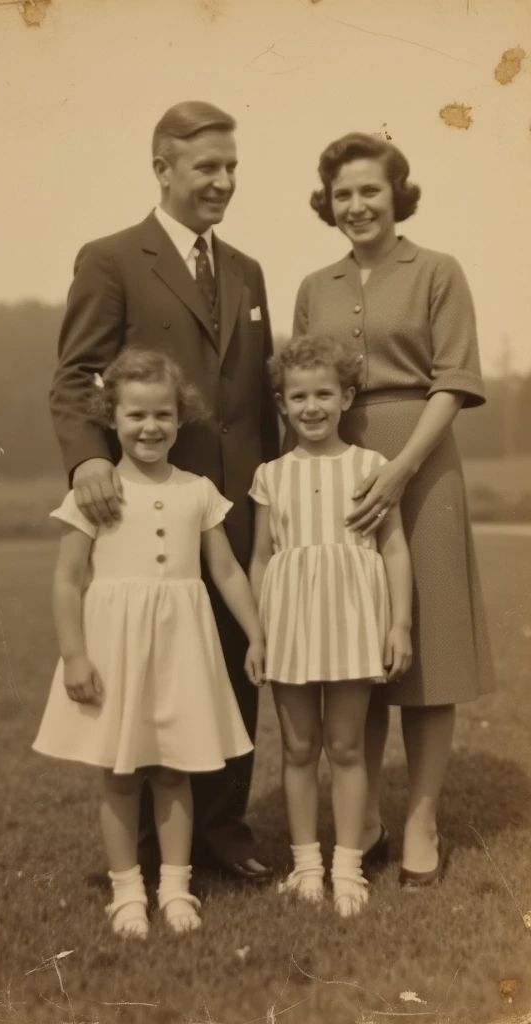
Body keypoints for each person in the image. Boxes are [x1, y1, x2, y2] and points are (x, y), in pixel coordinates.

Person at [49, 101, 279, 882]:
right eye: (207, 166)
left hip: (234, 505)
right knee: (147, 669)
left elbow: (258, 395)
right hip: (141, 500)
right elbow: (76, 375)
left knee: (227, 667)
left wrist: (271, 492)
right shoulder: (112, 258)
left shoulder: (247, 270)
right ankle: (144, 851)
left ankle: (220, 836)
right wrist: (87, 459)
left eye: (232, 167)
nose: (223, 181)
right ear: (162, 168)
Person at [293, 132, 495, 887]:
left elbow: (454, 380)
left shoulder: (437, 271)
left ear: (396, 193)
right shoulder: (315, 284)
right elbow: (304, 384)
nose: (356, 206)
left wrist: (403, 467)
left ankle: (421, 821)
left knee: (429, 649)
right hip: (342, 467)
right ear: (329, 203)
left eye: (369, 190)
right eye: (342, 194)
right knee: (358, 647)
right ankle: (365, 817)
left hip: (423, 461)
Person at [34, 350, 265, 938]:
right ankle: (127, 890)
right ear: (111, 417)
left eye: (163, 414)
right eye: (136, 414)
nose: (150, 427)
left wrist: (257, 633)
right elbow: (67, 578)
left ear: (180, 417)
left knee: (174, 769)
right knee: (118, 772)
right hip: (115, 649)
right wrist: (75, 654)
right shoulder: (98, 494)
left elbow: (228, 571)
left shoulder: (197, 489)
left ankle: (177, 887)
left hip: (182, 648)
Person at [248, 334, 412, 915]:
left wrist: (399, 627)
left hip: (351, 622)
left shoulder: (372, 467)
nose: (311, 407)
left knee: (345, 746)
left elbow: (393, 551)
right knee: (297, 746)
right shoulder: (270, 475)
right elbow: (262, 557)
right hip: (290, 621)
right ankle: (307, 867)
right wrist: (257, 633)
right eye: (298, 397)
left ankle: (348, 870)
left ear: (346, 397)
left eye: (324, 394)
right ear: (282, 404)